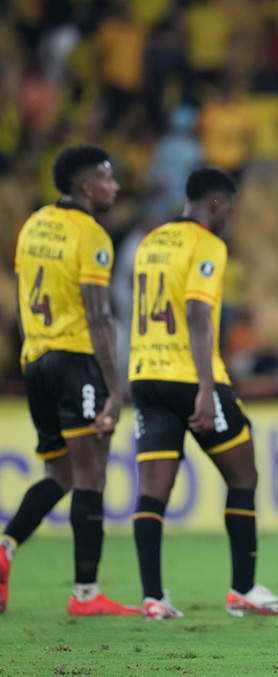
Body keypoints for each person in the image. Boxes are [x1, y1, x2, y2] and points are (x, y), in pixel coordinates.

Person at [129, 167, 278, 620]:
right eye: (231, 210)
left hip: (145, 373)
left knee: (153, 493)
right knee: (243, 477)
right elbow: (199, 314)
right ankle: (243, 588)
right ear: (217, 205)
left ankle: (153, 597)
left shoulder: (150, 242)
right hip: (190, 376)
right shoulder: (208, 244)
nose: (231, 219)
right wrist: (206, 388)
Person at [0, 145, 138, 616]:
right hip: (76, 360)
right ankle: (85, 595)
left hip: (35, 358)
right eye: (108, 178)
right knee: (90, 477)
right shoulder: (92, 236)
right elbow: (100, 318)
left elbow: (20, 301)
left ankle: (6, 546)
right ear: (86, 187)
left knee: (58, 474)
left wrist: (32, 348)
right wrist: (115, 390)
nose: (115, 186)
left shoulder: (33, 223)